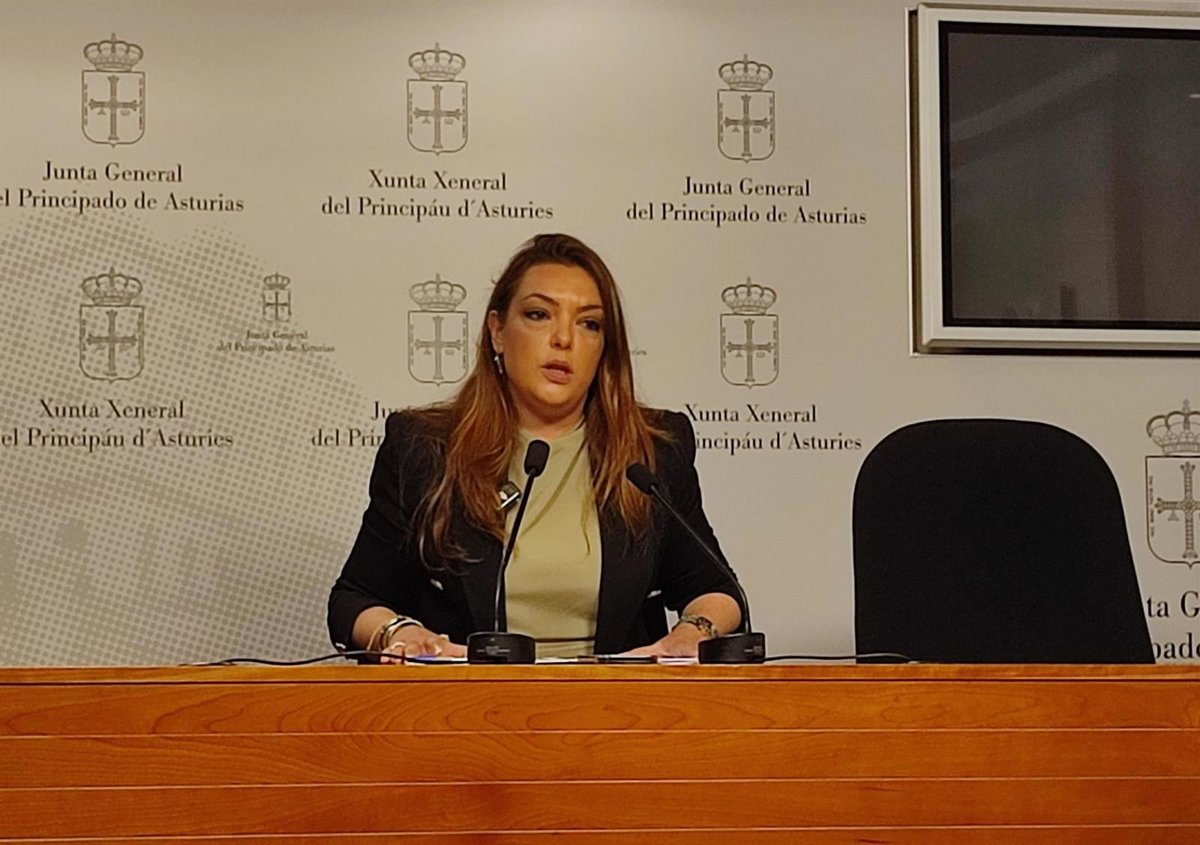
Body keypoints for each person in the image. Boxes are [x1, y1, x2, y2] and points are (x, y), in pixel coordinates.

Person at [327, 233, 743, 661]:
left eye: (589, 324)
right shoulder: (425, 450)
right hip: (467, 698)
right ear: (497, 332)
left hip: (615, 697)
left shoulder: (652, 451)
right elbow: (355, 599)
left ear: (605, 348)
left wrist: (694, 632)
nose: (563, 338)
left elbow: (717, 590)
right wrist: (400, 632)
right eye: (539, 314)